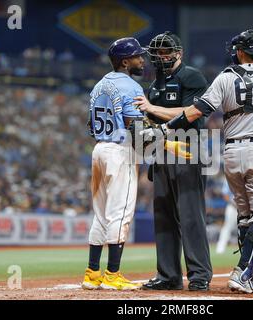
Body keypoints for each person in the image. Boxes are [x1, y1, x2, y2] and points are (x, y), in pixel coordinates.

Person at [135, 29, 253, 294]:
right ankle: (246, 271)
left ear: (240, 52)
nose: (160, 57)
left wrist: (160, 124)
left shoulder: (218, 76)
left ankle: (225, 272)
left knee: (233, 215)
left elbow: (197, 112)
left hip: (220, 148)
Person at [137, 31, 213, 291]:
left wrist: (151, 109)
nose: (161, 56)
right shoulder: (155, 82)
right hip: (162, 151)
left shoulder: (192, 76)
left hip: (189, 150)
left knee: (191, 215)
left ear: (178, 53)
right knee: (164, 216)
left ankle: (199, 276)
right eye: (157, 52)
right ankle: (168, 275)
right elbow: (152, 123)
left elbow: (191, 113)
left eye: (166, 51)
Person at [81, 37, 146, 290]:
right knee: (120, 214)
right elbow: (136, 125)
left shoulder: (98, 86)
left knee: (101, 214)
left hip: (99, 150)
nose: (142, 60)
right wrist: (162, 144)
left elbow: (90, 125)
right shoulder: (131, 87)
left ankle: (92, 273)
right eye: (138, 56)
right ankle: (112, 275)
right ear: (125, 61)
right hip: (120, 151)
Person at [215, 181, 238, 254]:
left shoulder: (246, 174)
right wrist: (233, 203)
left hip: (244, 206)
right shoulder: (229, 176)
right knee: (227, 227)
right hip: (232, 206)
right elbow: (225, 194)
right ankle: (220, 248)